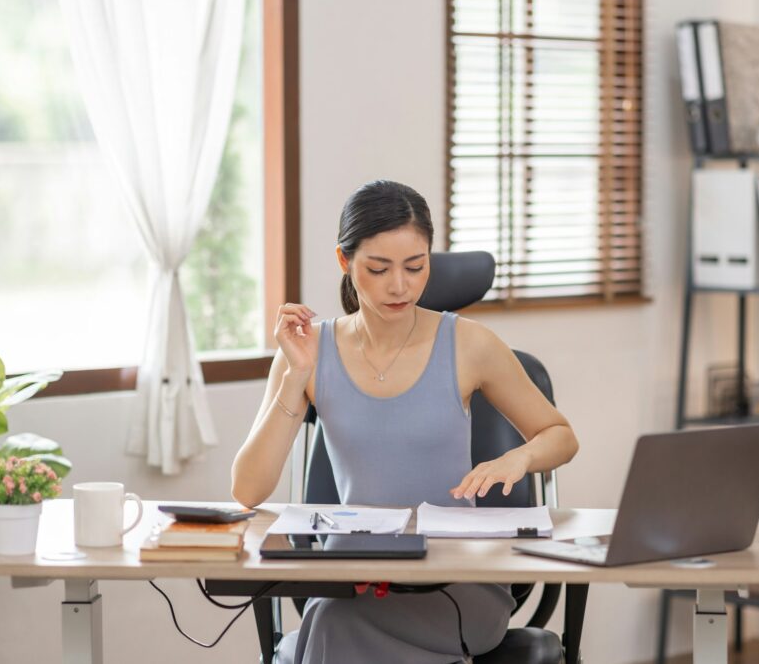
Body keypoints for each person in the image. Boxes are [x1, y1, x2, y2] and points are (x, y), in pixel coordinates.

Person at [231, 179, 579, 664]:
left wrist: (519, 458)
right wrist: (298, 376)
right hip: (355, 579)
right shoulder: (309, 351)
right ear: (345, 262)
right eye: (379, 268)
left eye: (415, 267)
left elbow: (560, 436)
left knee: (332, 625)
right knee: (335, 616)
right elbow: (247, 490)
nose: (400, 286)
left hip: (456, 581)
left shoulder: (468, 344)